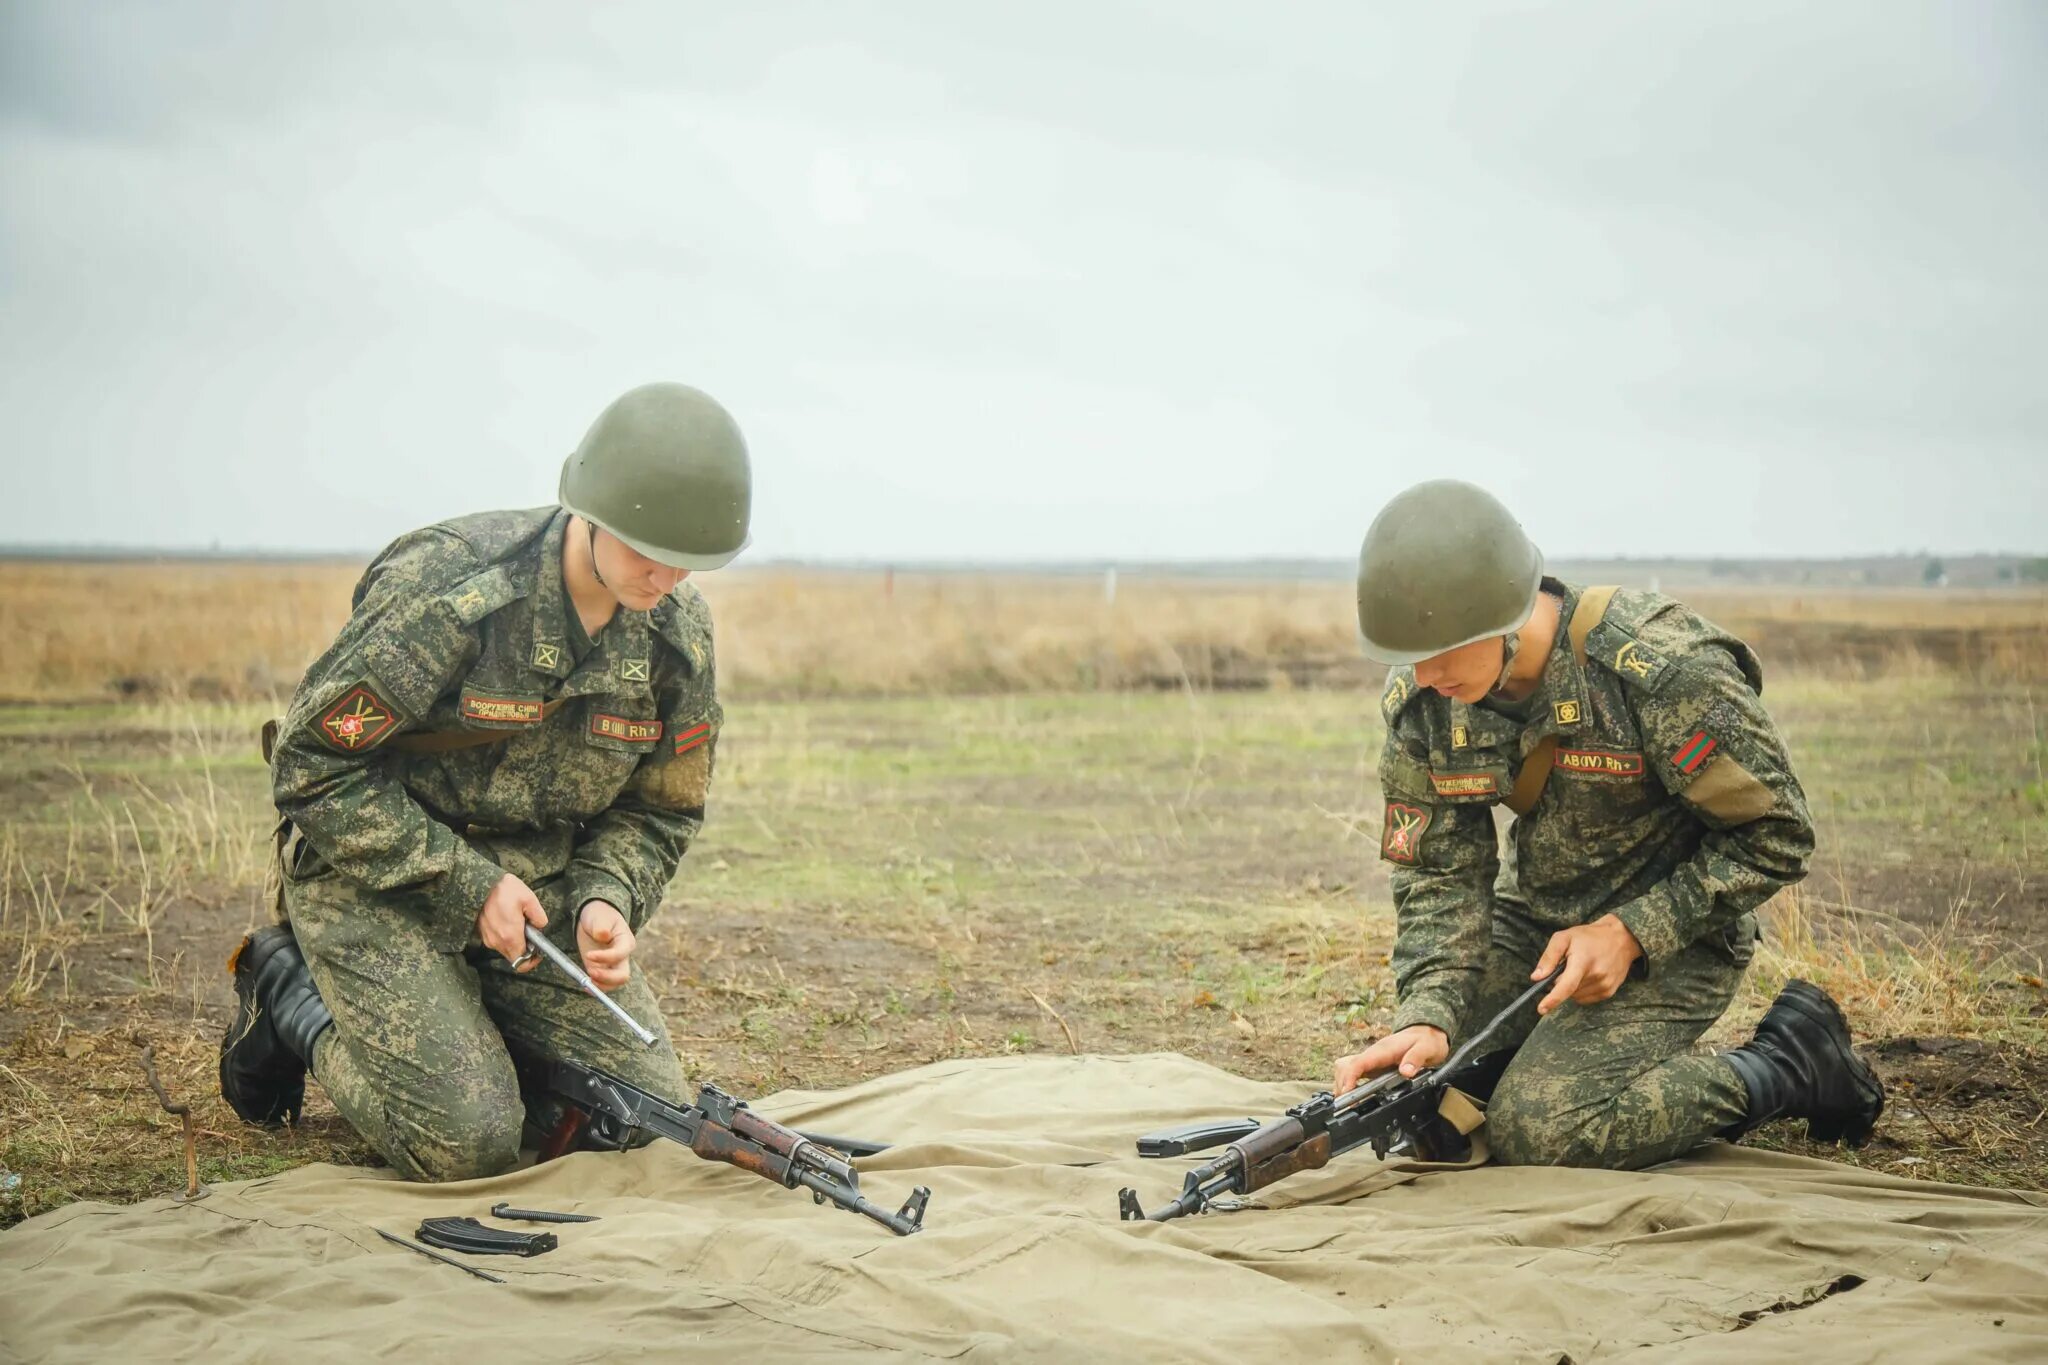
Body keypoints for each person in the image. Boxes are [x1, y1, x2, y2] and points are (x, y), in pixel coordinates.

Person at [218, 382, 747, 1181]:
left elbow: (660, 807)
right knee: (469, 1143)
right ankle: (293, 993)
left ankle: (476, 1031)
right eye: (647, 547)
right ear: (592, 512)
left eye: (689, 560)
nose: (666, 575)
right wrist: (466, 885)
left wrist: (607, 894)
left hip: (534, 901)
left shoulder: (677, 631)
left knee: (640, 1119)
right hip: (372, 875)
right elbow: (311, 765)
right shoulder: (451, 593)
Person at [1332, 480, 1884, 1169]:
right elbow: (1440, 873)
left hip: (1680, 939)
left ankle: (1789, 1062)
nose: (1426, 673)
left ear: (1504, 615)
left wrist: (1633, 931)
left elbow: (1776, 834)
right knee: (1419, 1091)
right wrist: (1429, 1011)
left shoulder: (1658, 673)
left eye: (1443, 648)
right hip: (1539, 925)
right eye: (1408, 654)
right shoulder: (1429, 702)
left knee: (1541, 1129)